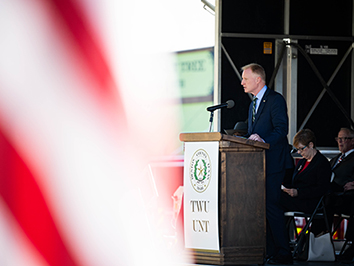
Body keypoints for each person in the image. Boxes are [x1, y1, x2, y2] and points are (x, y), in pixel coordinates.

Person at [241, 63, 293, 265]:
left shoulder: (275, 100)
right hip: (257, 165)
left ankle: (284, 251)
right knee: (261, 207)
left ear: (258, 80)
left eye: (245, 78)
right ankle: (270, 250)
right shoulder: (252, 103)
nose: (242, 82)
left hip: (273, 163)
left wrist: (263, 141)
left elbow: (281, 130)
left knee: (271, 205)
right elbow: (252, 133)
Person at [281, 129, 331, 236]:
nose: (299, 152)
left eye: (301, 149)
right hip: (298, 199)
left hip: (310, 201)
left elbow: (321, 188)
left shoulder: (321, 163)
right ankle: (280, 237)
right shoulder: (302, 162)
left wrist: (298, 192)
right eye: (297, 149)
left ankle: (280, 238)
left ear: (311, 145)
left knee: (275, 200)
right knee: (274, 199)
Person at [325, 127, 354, 262]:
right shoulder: (335, 159)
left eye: (344, 139)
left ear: (352, 141)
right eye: (338, 139)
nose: (340, 142)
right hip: (331, 197)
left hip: (346, 198)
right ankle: (319, 241)